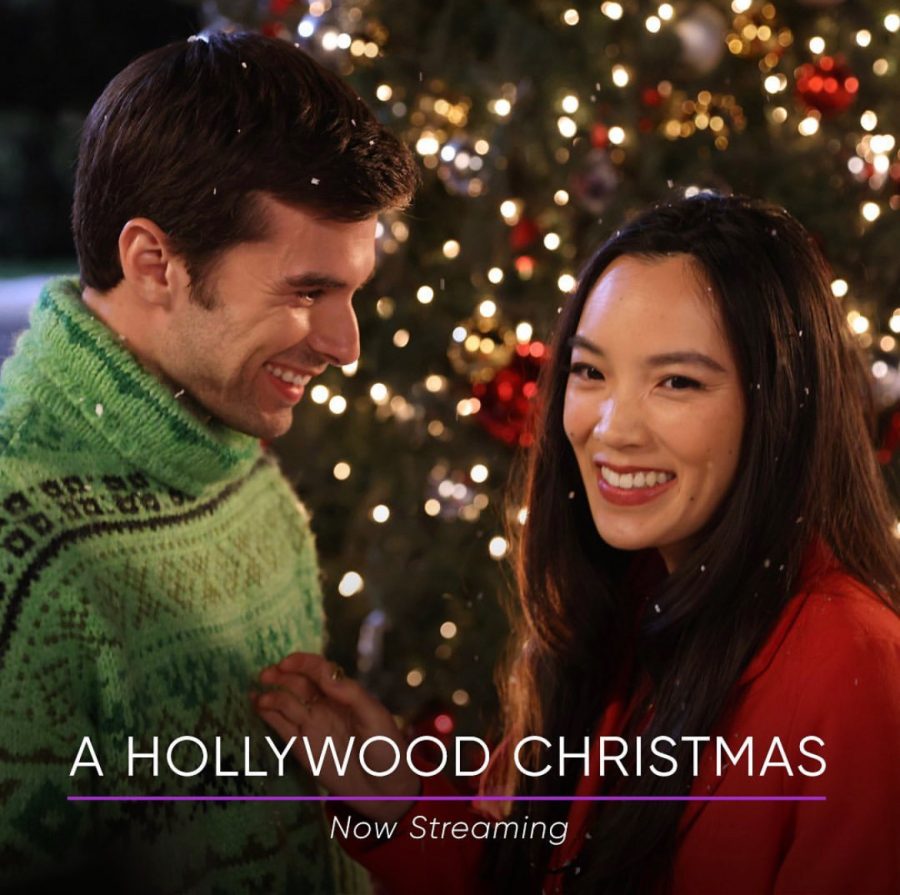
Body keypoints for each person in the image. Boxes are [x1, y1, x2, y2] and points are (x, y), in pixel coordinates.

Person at [254, 194, 900, 894]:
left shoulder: (855, 666)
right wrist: (400, 798)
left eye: (677, 381)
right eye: (590, 372)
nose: (612, 427)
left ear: (775, 408)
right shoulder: (627, 603)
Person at [0, 30, 417, 894]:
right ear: (154, 263)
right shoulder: (23, 561)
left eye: (353, 291)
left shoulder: (228, 453)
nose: (347, 344)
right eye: (308, 292)